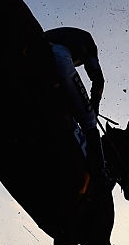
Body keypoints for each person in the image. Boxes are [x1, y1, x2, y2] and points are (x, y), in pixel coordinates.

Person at [44, 26, 107, 183]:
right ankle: (100, 179)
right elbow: (98, 80)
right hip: (58, 54)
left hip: (34, 52)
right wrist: (94, 107)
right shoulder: (89, 45)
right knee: (89, 120)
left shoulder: (68, 35)